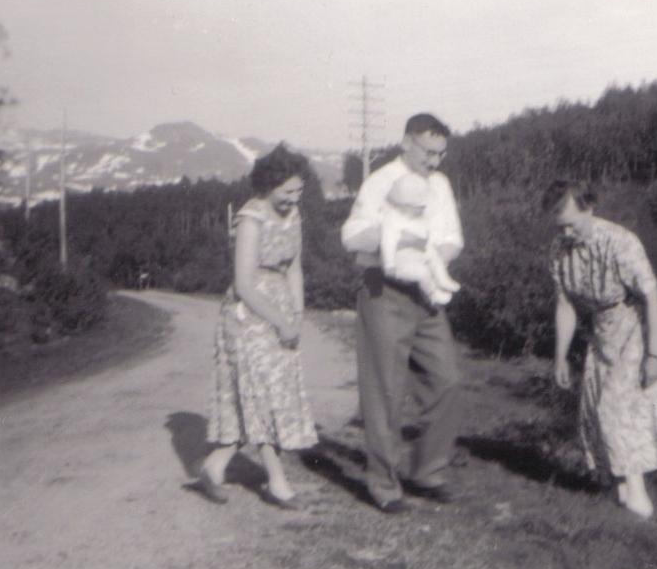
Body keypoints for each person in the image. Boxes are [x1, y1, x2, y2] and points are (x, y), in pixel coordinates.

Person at [542, 180, 657, 519]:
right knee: (596, 410)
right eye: (561, 225)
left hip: (639, 329)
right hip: (603, 334)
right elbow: (566, 305)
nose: (567, 232)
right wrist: (559, 356)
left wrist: (654, 355)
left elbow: (652, 298)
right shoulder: (559, 250)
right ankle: (620, 496)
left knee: (619, 409)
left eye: (572, 222)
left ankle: (639, 500)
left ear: (589, 208)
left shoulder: (621, 242)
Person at [341, 113, 465, 514]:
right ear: (407, 141)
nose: (434, 162)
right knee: (385, 389)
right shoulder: (380, 181)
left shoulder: (440, 185)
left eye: (441, 154)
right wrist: (394, 236)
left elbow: (452, 238)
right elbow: (352, 236)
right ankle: (384, 483)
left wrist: (429, 259)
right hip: (382, 287)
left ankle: (428, 471)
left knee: (446, 379)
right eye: (429, 152)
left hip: (425, 289)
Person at [197, 145, 318, 509]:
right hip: (248, 314)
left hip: (281, 305)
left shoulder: (293, 214)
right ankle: (277, 482)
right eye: (287, 192)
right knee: (263, 393)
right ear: (268, 186)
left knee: (268, 393)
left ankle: (213, 466)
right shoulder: (251, 217)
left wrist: (297, 313)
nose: (294, 199)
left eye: (299, 191)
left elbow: (294, 267)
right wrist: (280, 320)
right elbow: (245, 284)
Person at [381, 171, 461, 307]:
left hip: (419, 254)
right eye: (420, 207)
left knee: (436, 259)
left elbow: (426, 238)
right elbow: (387, 243)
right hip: (402, 262)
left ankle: (443, 279)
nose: (424, 210)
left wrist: (429, 249)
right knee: (422, 273)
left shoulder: (418, 219)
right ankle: (433, 294)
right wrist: (389, 264)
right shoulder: (392, 221)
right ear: (406, 205)